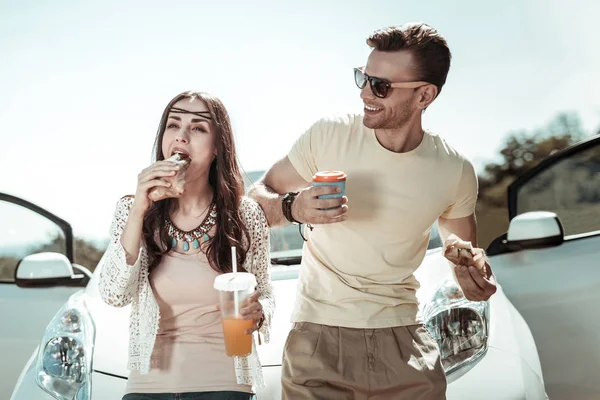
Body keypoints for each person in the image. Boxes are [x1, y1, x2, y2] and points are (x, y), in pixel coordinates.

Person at [248, 23, 497, 399]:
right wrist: (294, 207)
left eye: (380, 85)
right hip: (318, 339)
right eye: (363, 78)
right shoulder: (329, 135)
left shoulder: (454, 171)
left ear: (424, 95)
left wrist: (472, 280)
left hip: (406, 342)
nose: (365, 93)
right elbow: (256, 199)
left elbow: (463, 255)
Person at [98, 91, 274, 400]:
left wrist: (259, 312)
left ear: (218, 147)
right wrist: (140, 207)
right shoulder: (132, 211)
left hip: (225, 383)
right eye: (173, 125)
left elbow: (266, 295)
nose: (181, 137)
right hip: (147, 387)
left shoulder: (245, 215)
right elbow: (113, 293)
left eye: (197, 128)